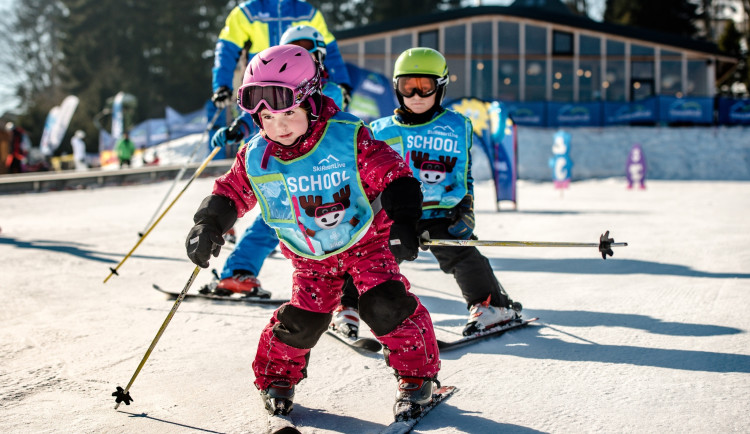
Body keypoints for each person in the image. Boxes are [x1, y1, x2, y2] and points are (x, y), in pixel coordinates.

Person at [185, 45, 440, 419]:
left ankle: (418, 378)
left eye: (289, 113)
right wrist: (208, 223)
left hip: (364, 242)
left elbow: (393, 173)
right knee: (304, 320)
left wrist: (404, 219)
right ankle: (276, 379)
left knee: (384, 304)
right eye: (267, 117)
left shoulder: (346, 137)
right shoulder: (257, 155)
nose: (279, 126)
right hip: (311, 257)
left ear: (310, 100)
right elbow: (231, 192)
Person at [334, 48, 523, 338]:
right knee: (374, 256)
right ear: (397, 88)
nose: (416, 96)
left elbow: (464, 173)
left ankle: (490, 306)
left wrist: (466, 208)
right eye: (408, 87)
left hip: (440, 211)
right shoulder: (380, 130)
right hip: (393, 214)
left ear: (441, 86)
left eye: (425, 87)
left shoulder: (455, 126)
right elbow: (365, 179)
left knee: (458, 250)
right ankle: (348, 305)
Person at [200, 24, 349, 298]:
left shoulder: (329, 91)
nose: (301, 57)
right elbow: (259, 110)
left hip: (323, 177)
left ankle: (349, 290)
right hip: (282, 168)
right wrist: (239, 128)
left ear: (321, 55)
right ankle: (237, 272)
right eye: (294, 51)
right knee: (272, 220)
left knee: (338, 229)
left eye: (308, 51)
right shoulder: (274, 88)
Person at [208, 0, 352, 159]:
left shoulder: (308, 13)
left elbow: (330, 50)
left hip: (316, 157)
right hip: (263, 84)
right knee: (262, 132)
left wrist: (343, 83)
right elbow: (227, 48)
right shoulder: (248, 13)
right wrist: (222, 86)